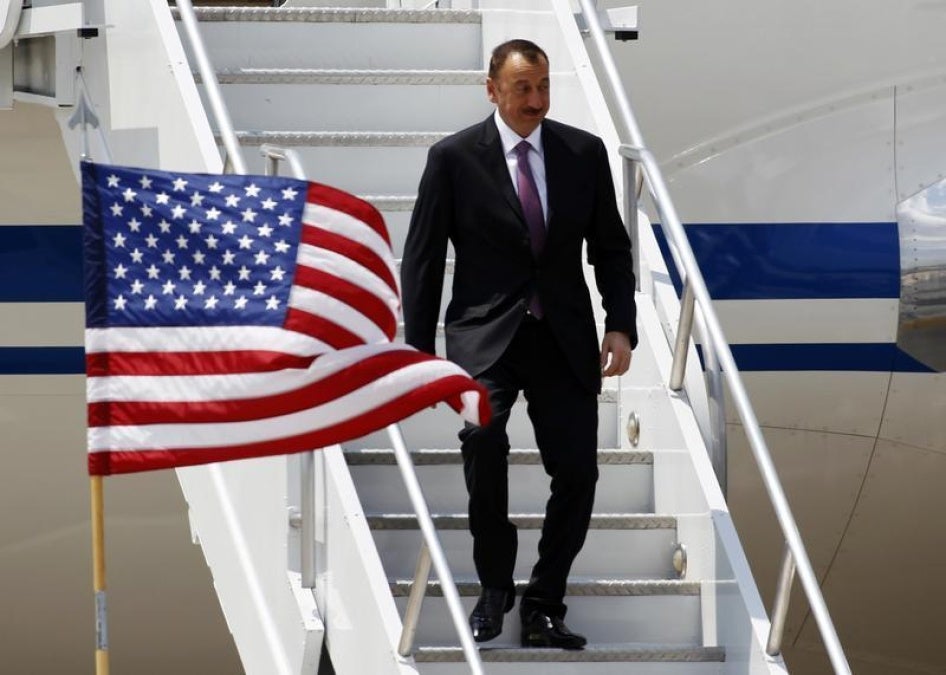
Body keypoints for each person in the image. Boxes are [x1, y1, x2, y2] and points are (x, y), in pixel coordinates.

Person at [400, 39, 637, 650]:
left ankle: (544, 604)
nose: (536, 100)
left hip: (563, 336)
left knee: (578, 471)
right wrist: (421, 352)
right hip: (485, 337)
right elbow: (423, 261)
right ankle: (495, 587)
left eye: (543, 87)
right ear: (492, 89)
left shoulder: (582, 153)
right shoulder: (453, 158)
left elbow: (609, 246)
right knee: (483, 439)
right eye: (523, 88)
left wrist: (620, 323)